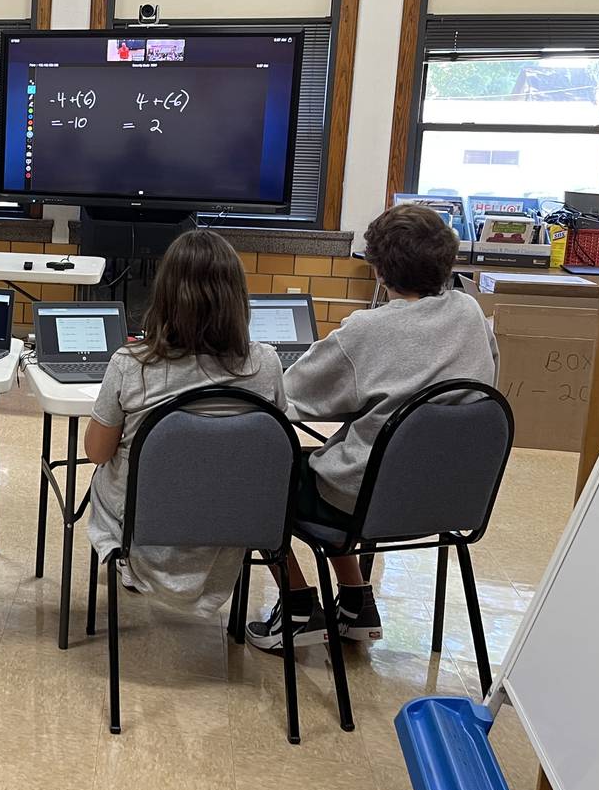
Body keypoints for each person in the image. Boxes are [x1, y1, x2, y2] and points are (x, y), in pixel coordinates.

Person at [247, 203, 499, 650]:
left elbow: (287, 398)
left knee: (259, 473)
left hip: (368, 500)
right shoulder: (470, 314)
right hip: (453, 496)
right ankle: (356, 603)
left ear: (379, 271)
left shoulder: (366, 329)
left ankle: (299, 603)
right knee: (343, 461)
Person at [83, 230, 287, 616]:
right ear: (237, 297)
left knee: (105, 472)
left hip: (143, 533)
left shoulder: (131, 365)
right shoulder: (266, 365)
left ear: (164, 296)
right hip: (230, 528)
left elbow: (96, 453)